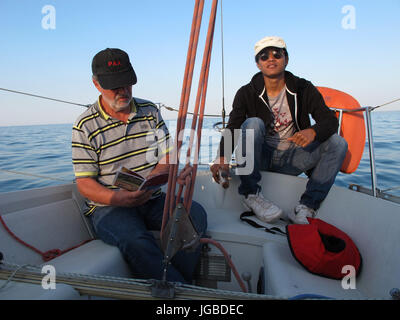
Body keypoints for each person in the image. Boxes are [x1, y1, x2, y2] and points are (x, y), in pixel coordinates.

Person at [72, 48, 207, 283]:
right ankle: (182, 291)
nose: (123, 91)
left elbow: (167, 158)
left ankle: (176, 285)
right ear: (96, 84)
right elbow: (84, 183)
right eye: (115, 85)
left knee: (195, 214)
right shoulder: (84, 125)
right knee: (135, 239)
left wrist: (168, 175)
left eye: (127, 83)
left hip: (151, 198)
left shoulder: (150, 111)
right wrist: (119, 199)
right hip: (108, 206)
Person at [210, 36, 348, 225]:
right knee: (253, 123)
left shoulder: (303, 87)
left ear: (286, 59)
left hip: (293, 157)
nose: (271, 59)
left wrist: (313, 132)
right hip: (262, 157)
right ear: (258, 64)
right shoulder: (246, 92)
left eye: (277, 54)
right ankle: (250, 195)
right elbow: (233, 126)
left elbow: (330, 121)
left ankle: (307, 206)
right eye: (263, 56)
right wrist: (222, 157)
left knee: (338, 143)